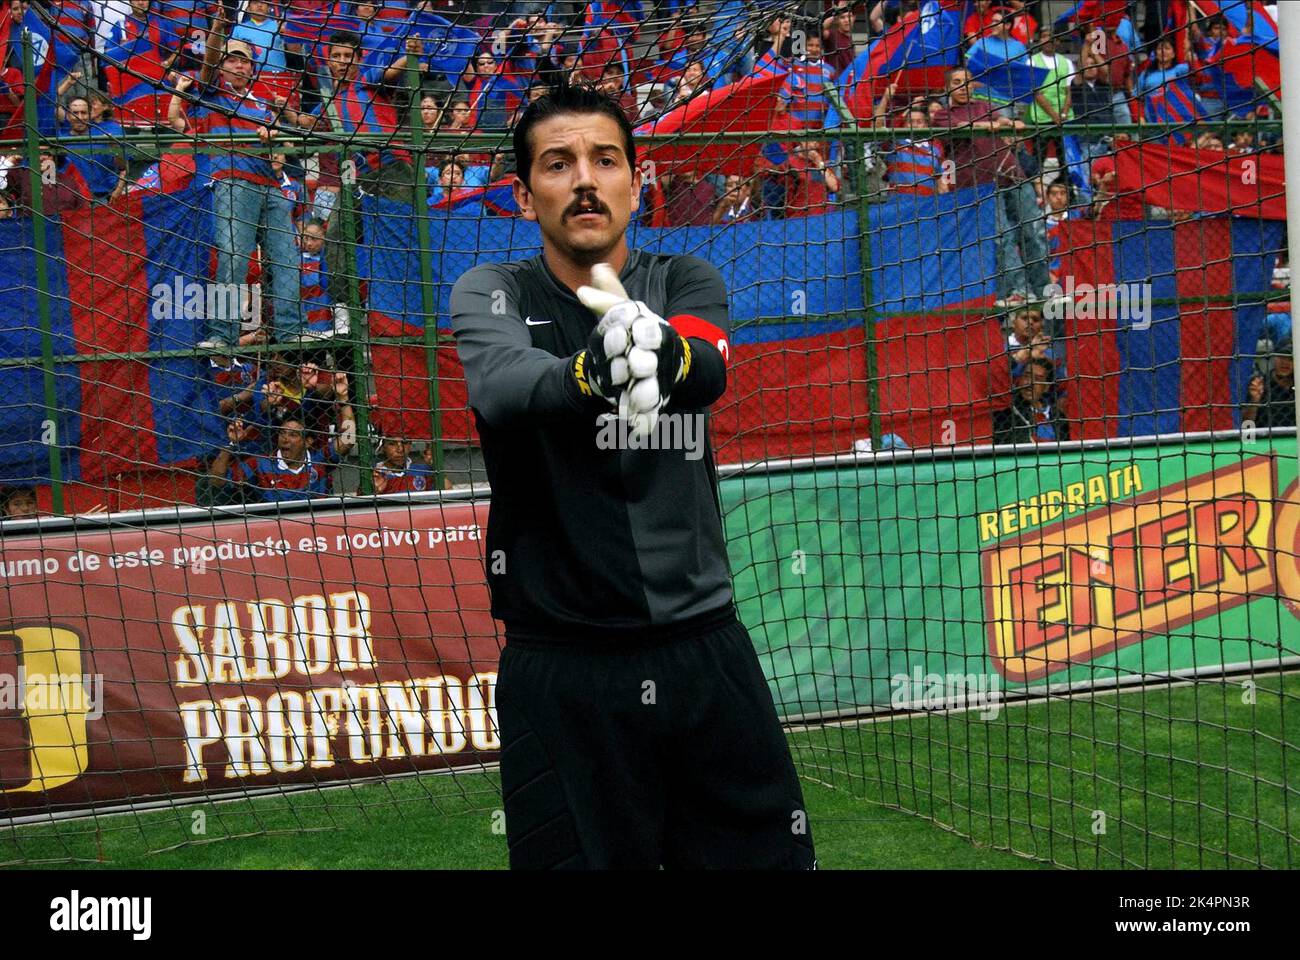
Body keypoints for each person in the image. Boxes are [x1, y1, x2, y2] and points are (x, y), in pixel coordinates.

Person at [450, 79, 814, 870]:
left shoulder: (685, 278)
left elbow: (706, 368)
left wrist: (660, 351)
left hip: (704, 652)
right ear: (523, 194)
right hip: (561, 673)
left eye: (604, 159)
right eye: (558, 163)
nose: (584, 178)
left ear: (635, 180)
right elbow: (505, 386)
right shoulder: (492, 292)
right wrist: (593, 372)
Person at [171, 12, 300, 349]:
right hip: (233, 182)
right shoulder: (212, 90)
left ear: (252, 68)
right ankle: (222, 334)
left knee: (287, 261)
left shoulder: (262, 101)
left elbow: (285, 146)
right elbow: (209, 62)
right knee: (233, 258)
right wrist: (217, 28)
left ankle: (290, 332)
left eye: (244, 62)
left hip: (272, 187)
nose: (239, 66)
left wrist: (273, 132)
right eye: (232, 59)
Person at [934, 67, 1048, 307]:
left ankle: (1044, 290)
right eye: (956, 82)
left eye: (966, 82)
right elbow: (961, 126)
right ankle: (1015, 292)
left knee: (1032, 234)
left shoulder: (986, 107)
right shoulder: (943, 115)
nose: (963, 87)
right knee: (1002, 237)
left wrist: (1008, 122)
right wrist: (988, 125)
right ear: (948, 87)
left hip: (1012, 175)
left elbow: (1003, 121)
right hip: (980, 185)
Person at [1242, 339, 1296, 429]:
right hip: (1265, 438)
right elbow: (1246, 426)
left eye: (1291, 359)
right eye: (1282, 357)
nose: (1285, 362)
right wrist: (1255, 400)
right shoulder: (1259, 383)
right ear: (1274, 357)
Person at [372, 430, 437, 493]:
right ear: (383, 447)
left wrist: (435, 465)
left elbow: (445, 491)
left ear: (410, 445)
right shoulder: (374, 473)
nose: (400, 450)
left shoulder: (422, 470)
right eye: (392, 444)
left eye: (404, 443)